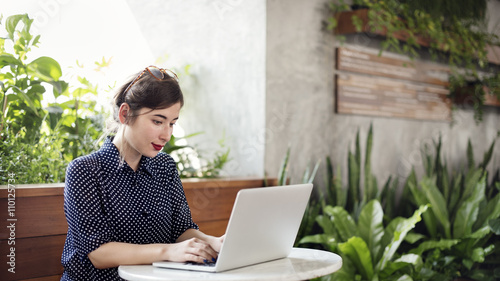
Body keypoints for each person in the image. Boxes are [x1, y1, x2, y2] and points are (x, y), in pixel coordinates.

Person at [61, 66, 224, 280]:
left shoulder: (165, 166)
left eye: (172, 124)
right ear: (125, 114)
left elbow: (181, 229)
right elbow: (98, 253)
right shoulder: (85, 171)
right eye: (158, 121)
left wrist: (213, 241)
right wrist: (168, 251)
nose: (167, 135)